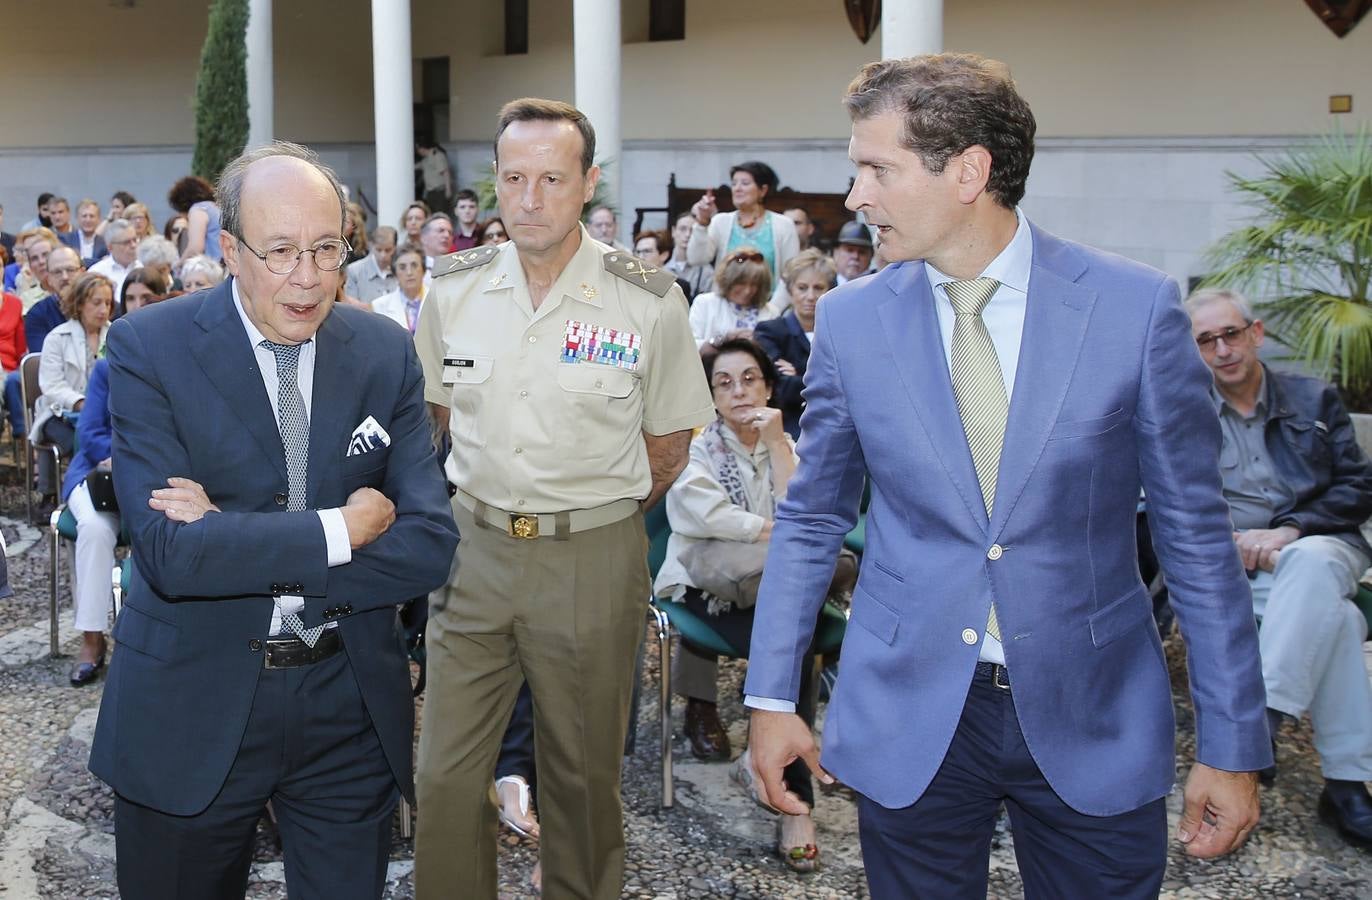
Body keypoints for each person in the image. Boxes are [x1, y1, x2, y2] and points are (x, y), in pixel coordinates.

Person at [743, 54, 1270, 899]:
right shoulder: (850, 320)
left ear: (969, 172)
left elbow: (1196, 540)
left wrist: (1232, 743)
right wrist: (771, 697)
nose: (854, 197)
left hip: (1094, 713)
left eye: (877, 168)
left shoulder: (1133, 310)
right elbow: (812, 521)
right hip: (910, 713)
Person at [88, 141, 459, 900]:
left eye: (328, 248)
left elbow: (429, 545)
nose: (310, 277)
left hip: (345, 702)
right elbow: (170, 555)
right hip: (192, 702)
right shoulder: (148, 348)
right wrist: (339, 529)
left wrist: (231, 536)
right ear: (229, 250)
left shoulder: (384, 351)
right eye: (282, 250)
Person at [413, 97, 713, 900]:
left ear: (587, 184)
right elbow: (430, 424)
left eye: (552, 177)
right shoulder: (454, 290)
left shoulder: (646, 299)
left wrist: (589, 515)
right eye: (514, 178)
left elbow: (669, 446)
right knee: (443, 777)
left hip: (591, 559)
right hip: (474, 551)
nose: (530, 197)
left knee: (580, 781)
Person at [1186, 286, 1372, 849]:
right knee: (1335, 622)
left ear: (1256, 333)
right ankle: (1346, 784)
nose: (1222, 349)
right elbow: (1164, 502)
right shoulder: (1185, 413)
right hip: (1235, 566)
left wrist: (1290, 529)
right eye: (1206, 340)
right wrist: (1231, 540)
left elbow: (1360, 487)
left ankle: (1259, 721)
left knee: (1311, 566)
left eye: (1231, 333)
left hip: (1320, 545)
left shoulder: (1314, 400)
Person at [653, 337, 843, 871]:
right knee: (797, 630)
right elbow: (705, 518)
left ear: (768, 384)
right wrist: (783, 533)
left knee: (790, 632)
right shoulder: (695, 447)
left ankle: (783, 791)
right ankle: (791, 798)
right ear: (710, 395)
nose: (739, 391)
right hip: (708, 593)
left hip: (769, 593)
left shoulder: (785, 443)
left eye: (750, 379)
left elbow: (805, 503)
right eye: (724, 382)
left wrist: (780, 446)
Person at [62, 276, 165, 687]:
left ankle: (158, 640)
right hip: (100, 476)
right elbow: (88, 434)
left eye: (147, 298)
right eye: (131, 299)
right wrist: (122, 459)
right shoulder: (108, 367)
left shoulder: (179, 366)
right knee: (94, 530)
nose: (138, 305)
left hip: (157, 481)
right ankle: (91, 639)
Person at [32, 271, 111, 503]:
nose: (103, 309)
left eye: (107, 303)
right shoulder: (57, 337)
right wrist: (80, 403)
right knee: (82, 438)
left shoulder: (116, 333)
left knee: (97, 432)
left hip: (102, 415)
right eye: (96, 302)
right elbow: (52, 385)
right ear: (79, 303)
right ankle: (68, 493)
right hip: (59, 413)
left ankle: (101, 491)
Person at [753, 248, 836, 438]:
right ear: (790, 290)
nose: (810, 296)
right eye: (802, 287)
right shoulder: (769, 331)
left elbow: (847, 386)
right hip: (788, 429)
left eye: (818, 287)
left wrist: (799, 375)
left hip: (832, 429)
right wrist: (826, 380)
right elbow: (780, 387)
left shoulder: (838, 333)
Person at [686, 160, 799, 286]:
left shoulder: (784, 225)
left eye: (745, 183)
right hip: (725, 303)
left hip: (769, 302)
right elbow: (696, 259)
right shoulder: (721, 221)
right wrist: (702, 223)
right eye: (734, 184)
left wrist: (772, 306)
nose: (737, 189)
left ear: (763, 190)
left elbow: (790, 275)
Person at [688, 247, 777, 350]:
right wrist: (722, 340)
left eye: (754, 284)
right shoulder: (705, 303)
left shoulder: (771, 312)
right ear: (728, 280)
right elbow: (689, 345)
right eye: (741, 283)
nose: (747, 291)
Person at [371, 245, 426, 333]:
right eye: (402, 267)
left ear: (424, 270)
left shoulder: (438, 301)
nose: (409, 272)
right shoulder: (379, 306)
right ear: (395, 273)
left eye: (414, 265)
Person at [168, 175, 223, 263]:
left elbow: (195, 248)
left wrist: (178, 265)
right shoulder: (215, 207)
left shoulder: (198, 210)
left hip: (215, 267)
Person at [666, 213, 714, 301]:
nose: (687, 234)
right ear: (673, 231)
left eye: (692, 230)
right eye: (682, 229)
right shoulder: (662, 267)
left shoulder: (707, 271)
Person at [344, 225, 398, 304]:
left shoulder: (401, 268)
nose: (383, 255)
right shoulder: (354, 270)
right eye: (378, 250)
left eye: (388, 250)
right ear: (371, 246)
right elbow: (351, 307)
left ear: (395, 247)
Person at [89, 219, 139, 298]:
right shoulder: (97, 272)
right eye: (126, 242)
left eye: (135, 240)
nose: (133, 245)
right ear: (110, 247)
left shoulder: (143, 266)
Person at [60, 199, 108, 264]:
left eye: (92, 216)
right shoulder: (65, 239)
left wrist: (81, 259)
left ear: (98, 219)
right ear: (77, 218)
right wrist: (99, 261)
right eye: (84, 216)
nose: (88, 220)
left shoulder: (105, 243)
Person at [417, 141, 454, 217]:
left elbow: (445, 172)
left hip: (440, 191)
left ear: (422, 148)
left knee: (440, 214)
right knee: (431, 214)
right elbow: (417, 166)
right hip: (431, 192)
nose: (417, 151)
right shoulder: (426, 159)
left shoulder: (437, 155)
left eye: (417, 149)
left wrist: (448, 190)